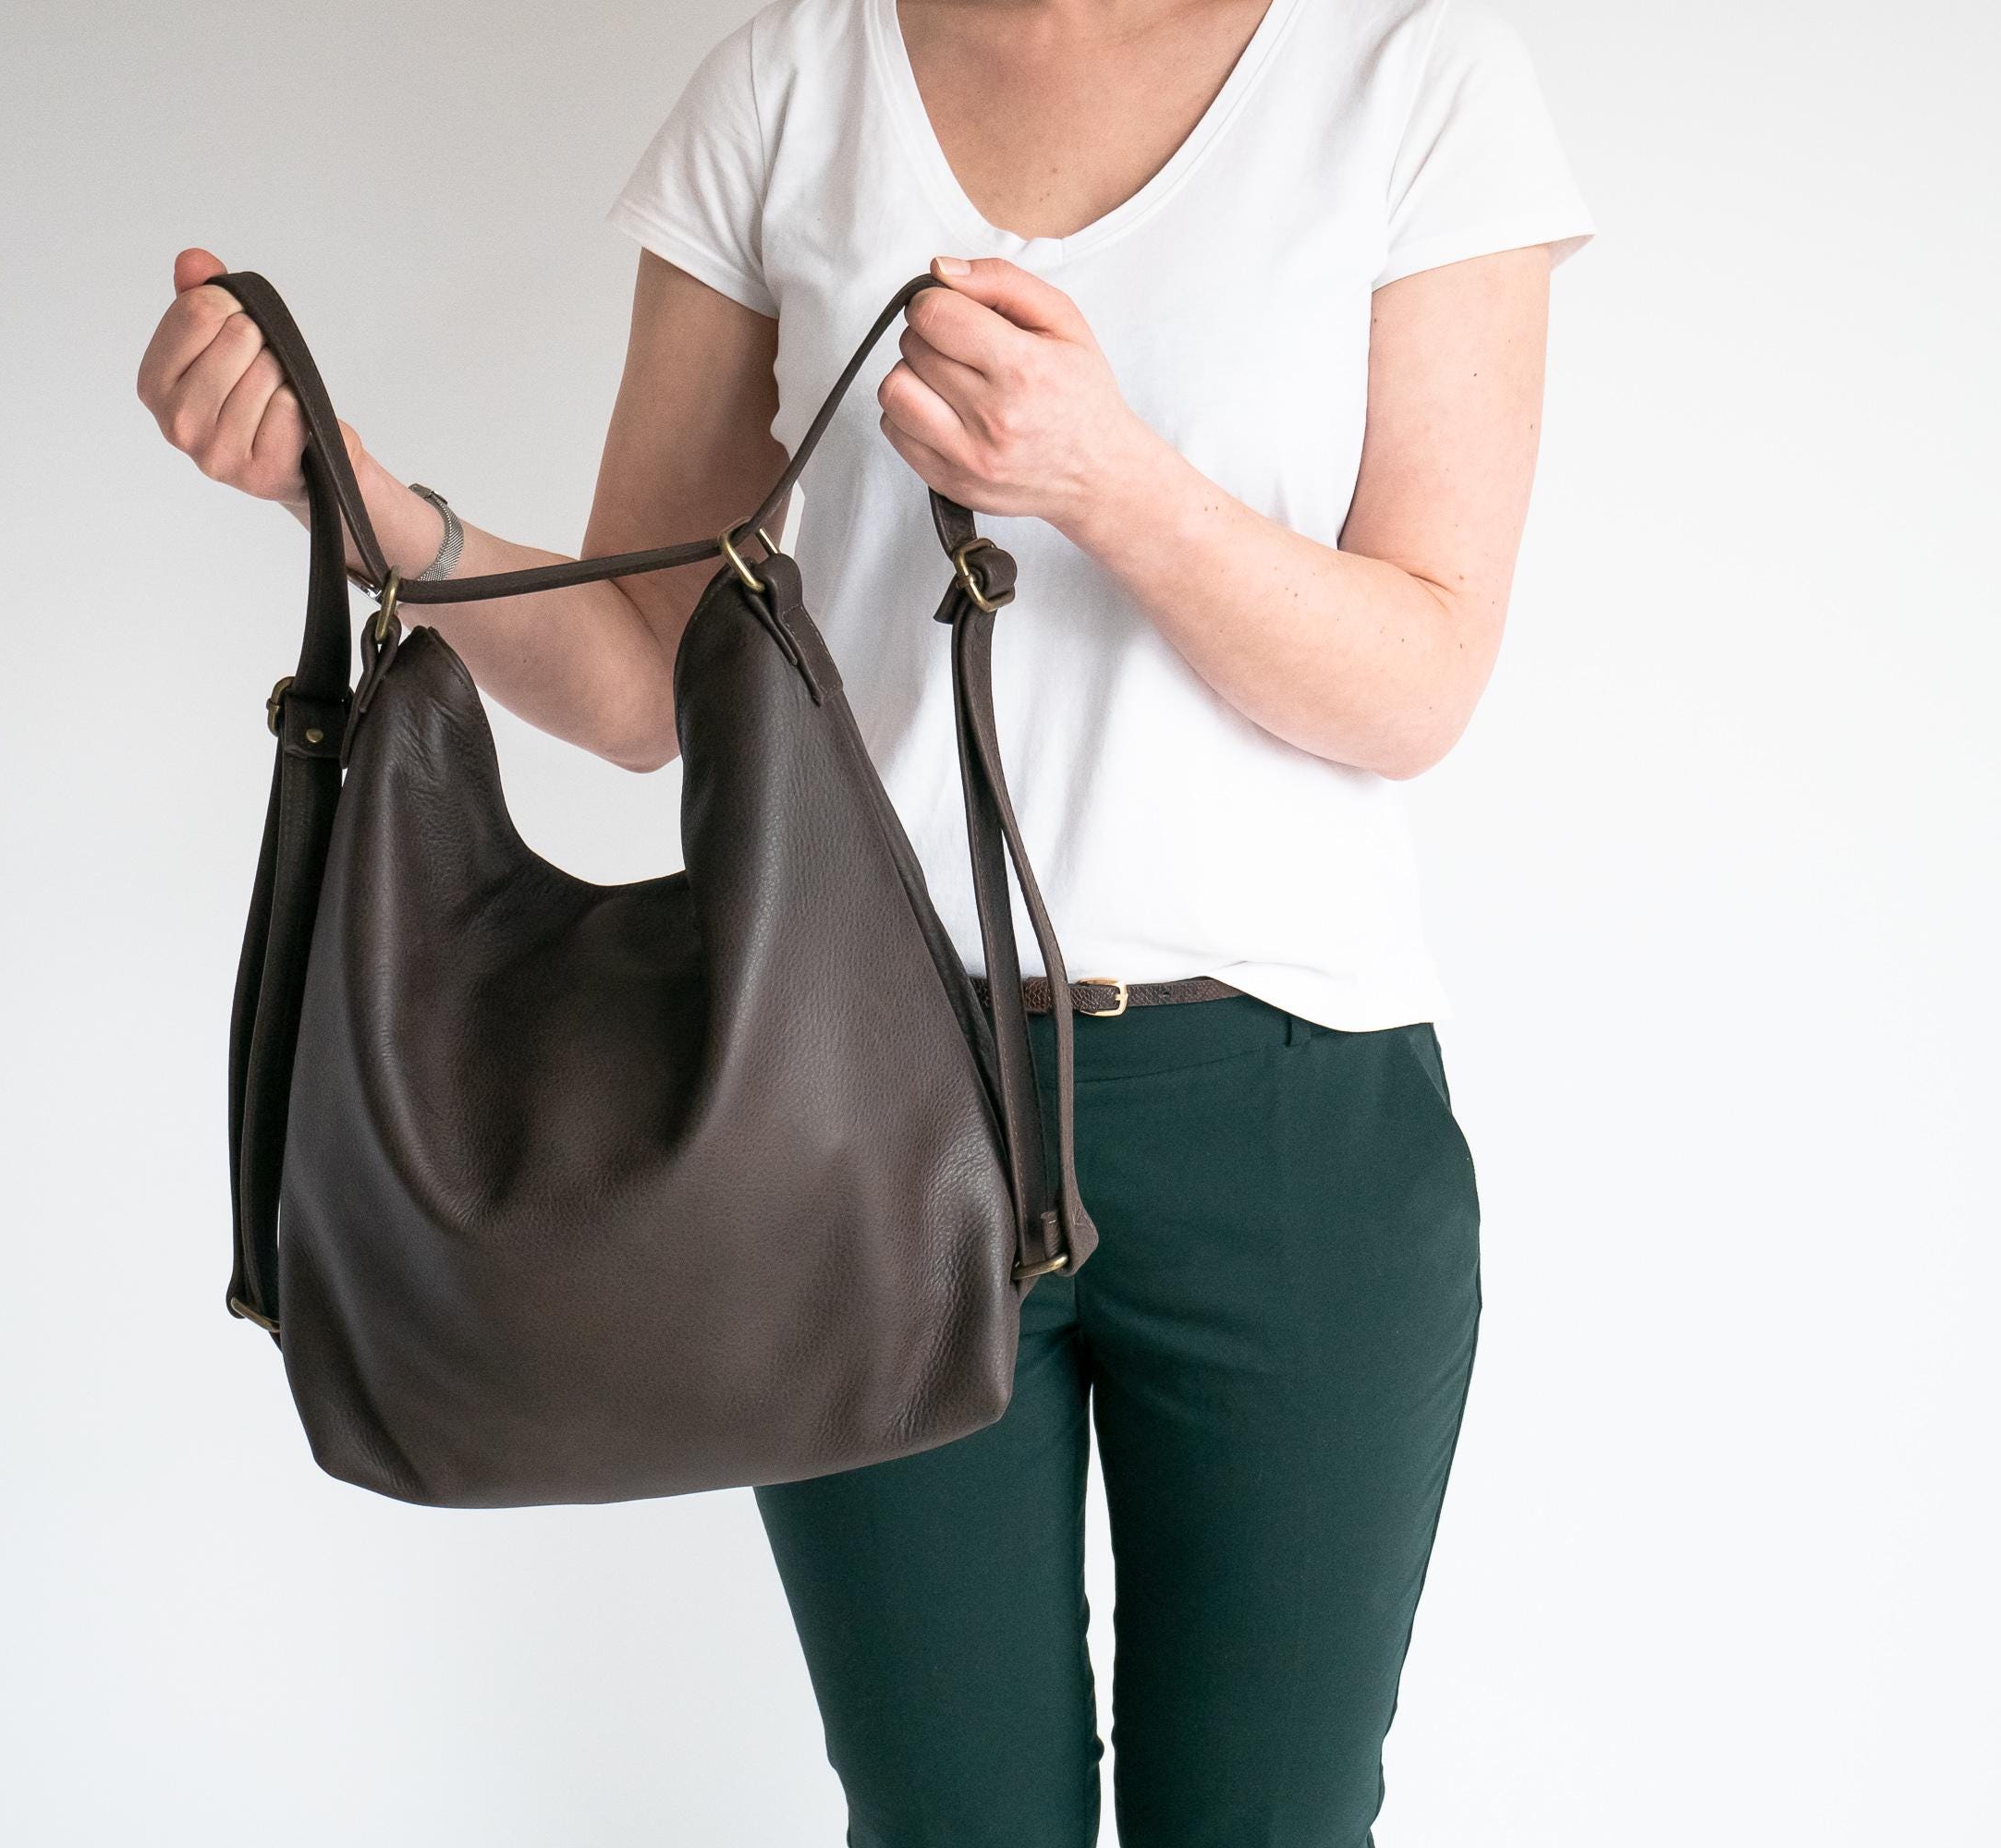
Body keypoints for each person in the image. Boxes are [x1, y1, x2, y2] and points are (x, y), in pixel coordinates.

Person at [137, 0, 1594, 1838]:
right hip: (864, 1107)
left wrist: (1106, 480)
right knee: (943, 1821)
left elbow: (1418, 682)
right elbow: (646, 670)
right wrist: (375, 516)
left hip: (1293, 1121)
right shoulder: (792, 84)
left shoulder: (1407, 72)